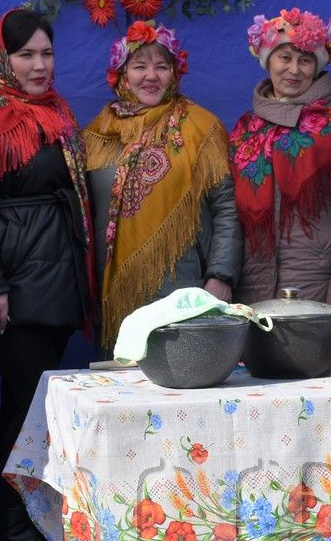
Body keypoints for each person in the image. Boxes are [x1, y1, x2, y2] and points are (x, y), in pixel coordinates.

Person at [0, 9, 92, 541]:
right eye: (26, 55)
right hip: (13, 287)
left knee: (33, 404)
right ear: (1, 58)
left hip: (56, 283)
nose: (39, 65)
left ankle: (27, 522)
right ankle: (12, 528)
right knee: (23, 407)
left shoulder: (54, 112)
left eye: (46, 54)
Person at [82, 19, 241, 350]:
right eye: (139, 66)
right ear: (122, 74)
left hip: (182, 291)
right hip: (115, 295)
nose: (151, 76)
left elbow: (226, 207)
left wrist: (221, 276)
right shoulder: (96, 135)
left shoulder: (201, 128)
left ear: (175, 73)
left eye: (161, 66)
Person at [228, 8, 331, 308]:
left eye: (305, 60)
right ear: (268, 61)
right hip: (251, 288)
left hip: (314, 284)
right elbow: (231, 218)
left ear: (316, 68)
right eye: (284, 58)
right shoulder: (245, 130)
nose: (294, 69)